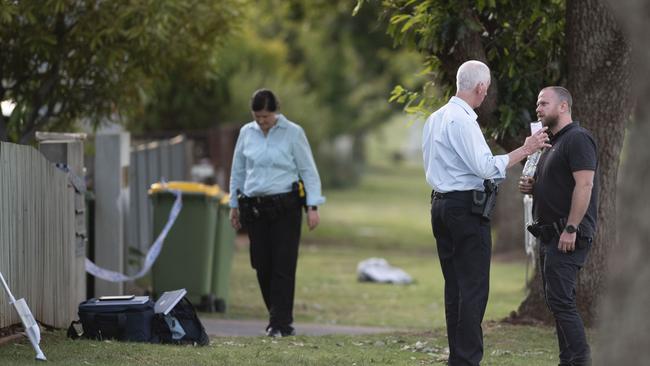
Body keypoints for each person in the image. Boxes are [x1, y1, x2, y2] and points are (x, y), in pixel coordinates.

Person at [423, 60, 550, 366]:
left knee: (454, 286)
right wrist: (526, 148)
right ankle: (466, 359)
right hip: (464, 209)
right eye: (487, 89)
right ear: (480, 88)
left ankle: (458, 356)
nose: (486, 95)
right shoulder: (464, 121)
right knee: (474, 288)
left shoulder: (436, 118)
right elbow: (485, 167)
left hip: (440, 205)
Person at [229, 89, 325, 337]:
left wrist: (312, 207)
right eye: (257, 116)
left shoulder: (293, 133)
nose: (261, 121)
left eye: (266, 116)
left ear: (276, 112)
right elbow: (237, 171)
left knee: (283, 265)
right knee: (262, 265)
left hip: (286, 207)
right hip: (255, 207)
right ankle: (276, 316)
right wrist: (233, 205)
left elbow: (308, 171)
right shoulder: (246, 133)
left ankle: (280, 323)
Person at [519, 86, 598, 366]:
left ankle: (580, 359)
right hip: (549, 234)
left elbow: (585, 184)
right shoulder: (551, 142)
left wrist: (572, 228)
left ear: (563, 106)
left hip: (568, 234)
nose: (538, 108)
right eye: (537, 104)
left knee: (562, 301)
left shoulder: (577, 139)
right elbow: (557, 186)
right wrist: (531, 187)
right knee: (556, 301)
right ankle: (568, 360)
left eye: (544, 103)